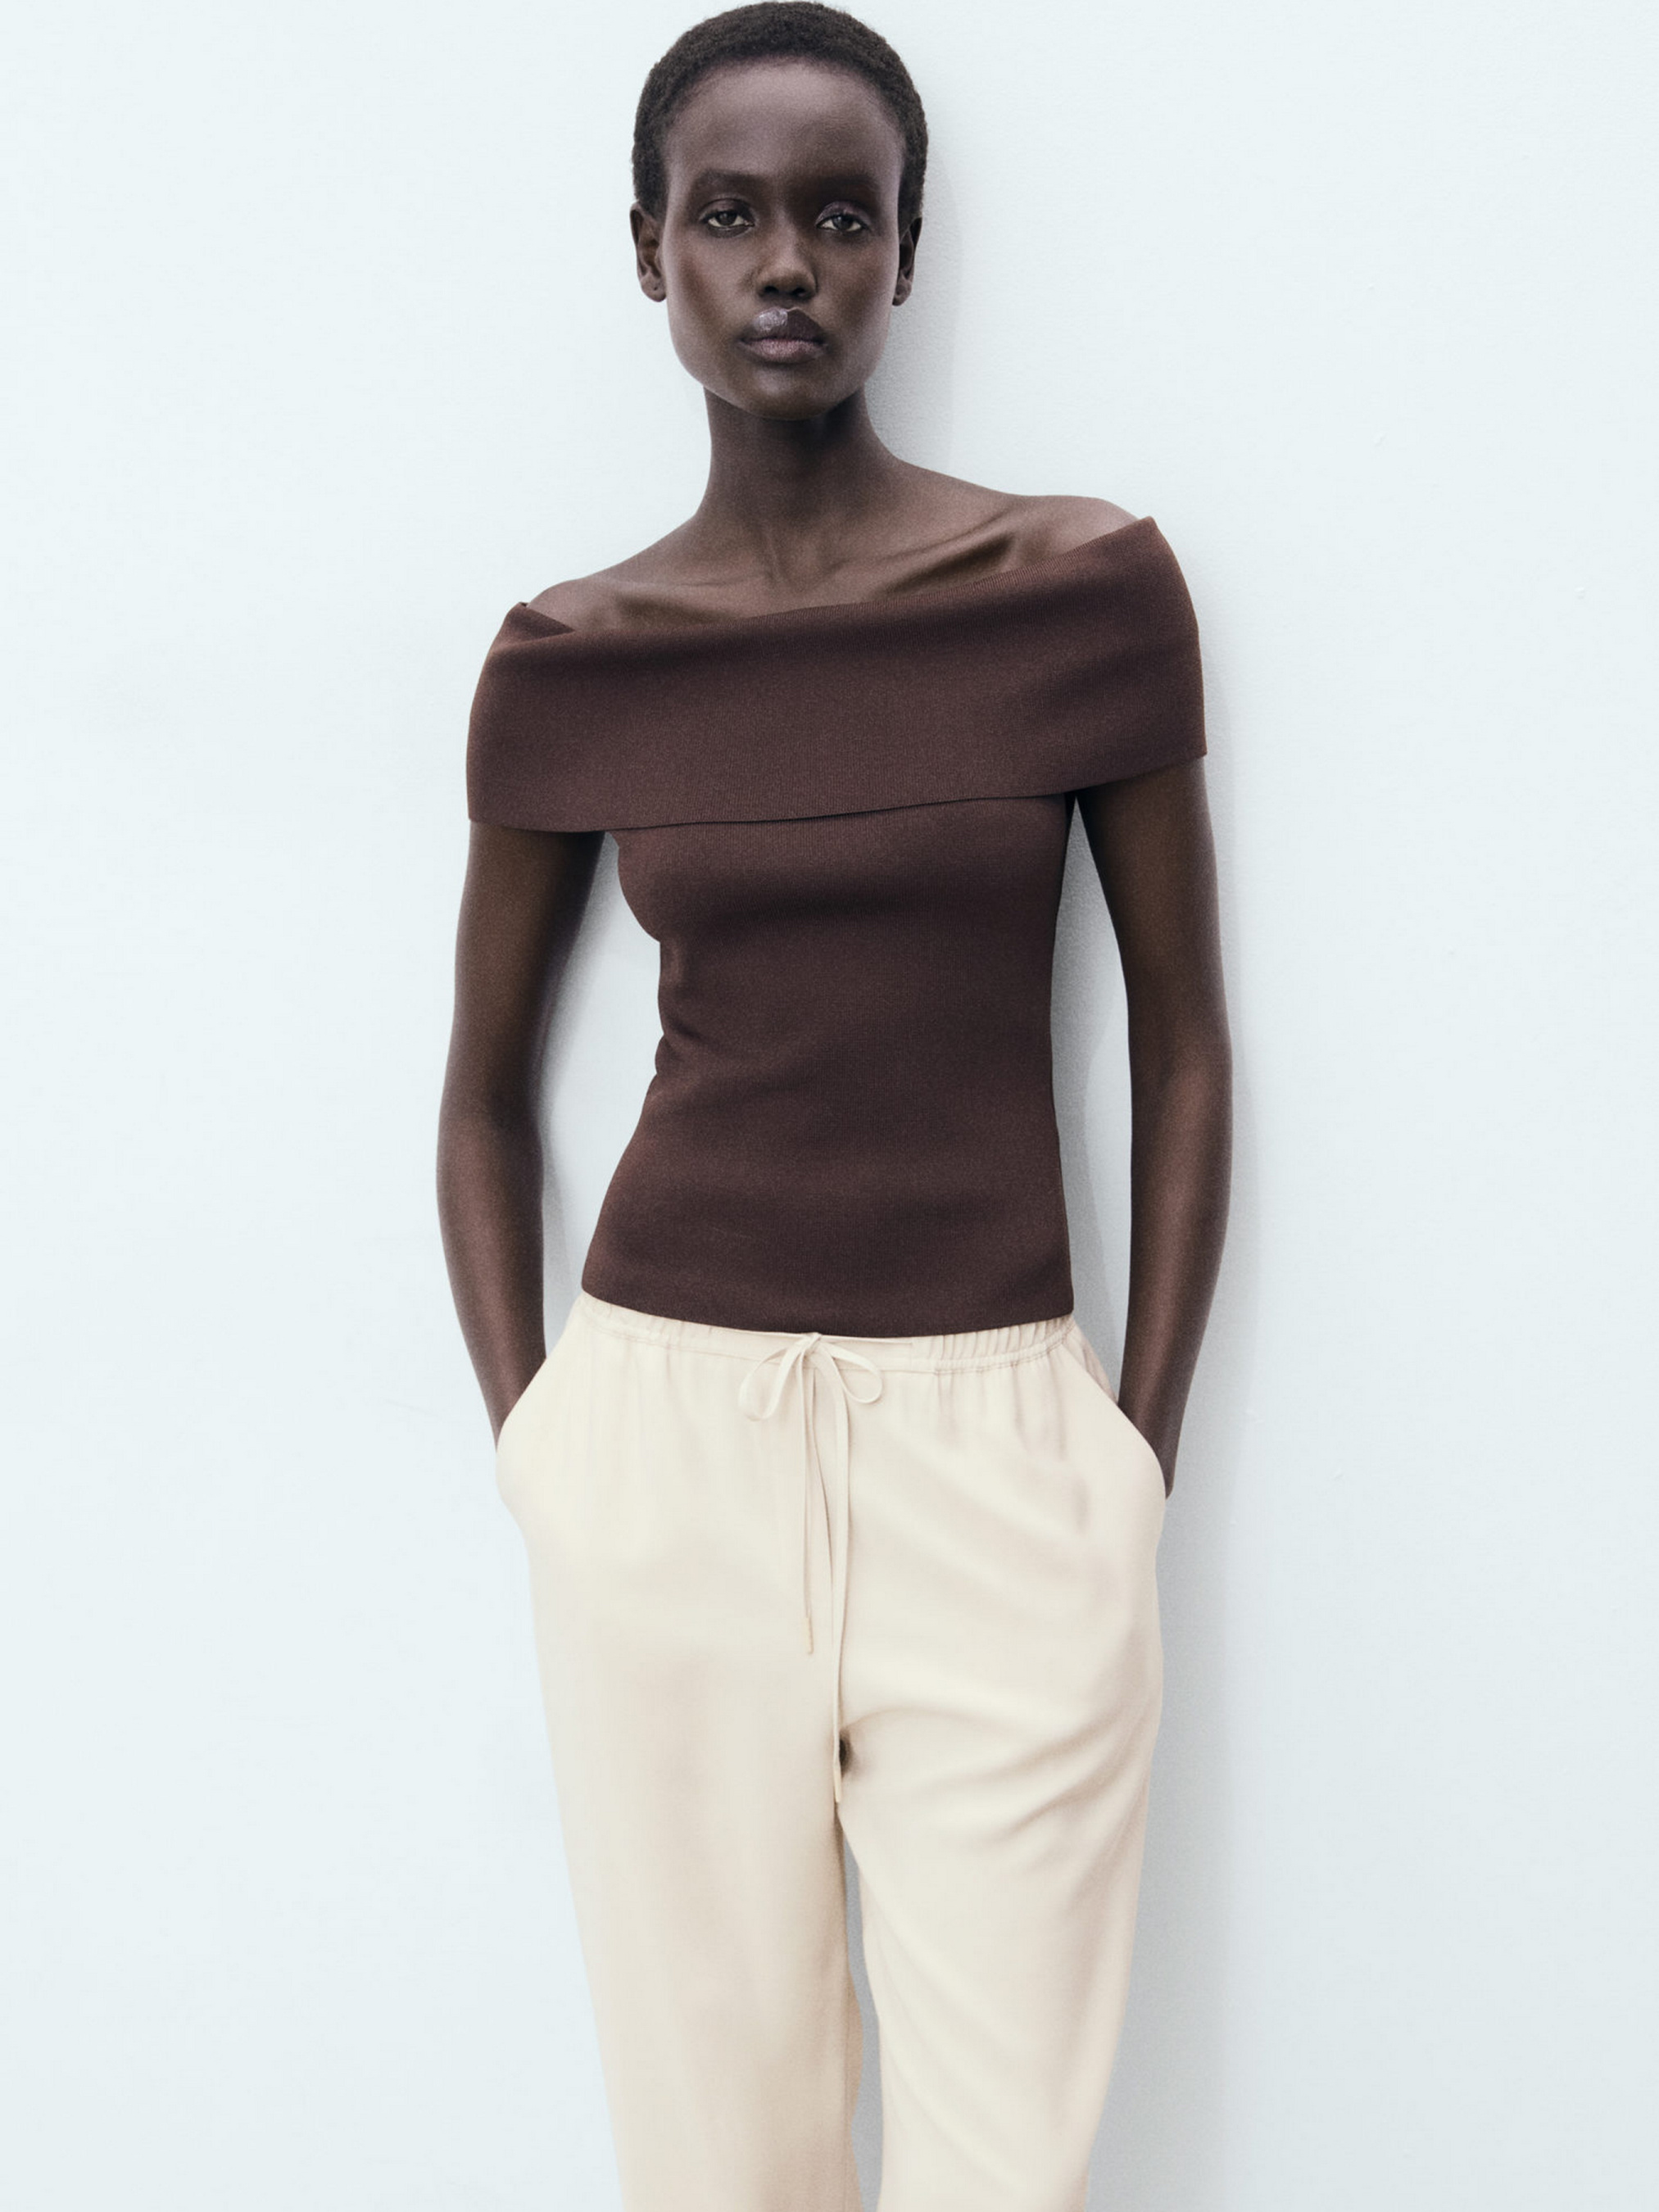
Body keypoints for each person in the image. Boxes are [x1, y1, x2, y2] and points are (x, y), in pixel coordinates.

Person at [437, 7, 1231, 2207]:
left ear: (904, 252)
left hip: (1004, 1454)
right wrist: (542, 1449)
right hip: (664, 1454)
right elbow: (479, 1094)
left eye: (840, 216)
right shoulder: (574, 656)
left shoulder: (1078, 595)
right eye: (729, 215)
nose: (786, 263)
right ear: (648, 253)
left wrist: (1129, 1453)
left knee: (1005, 2165)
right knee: (721, 2165)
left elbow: (1183, 1037)